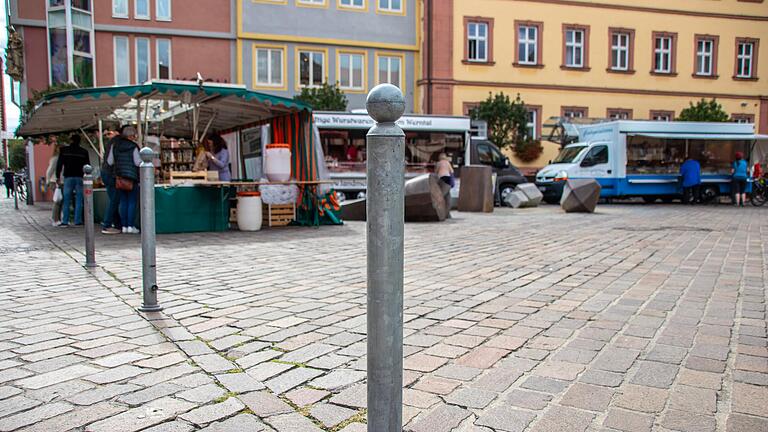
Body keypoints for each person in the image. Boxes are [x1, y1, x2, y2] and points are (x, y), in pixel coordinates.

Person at [107, 126, 141, 234]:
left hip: (119, 177)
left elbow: (110, 161)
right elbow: (138, 162)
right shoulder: (134, 146)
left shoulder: (115, 146)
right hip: (132, 177)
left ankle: (124, 226)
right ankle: (130, 225)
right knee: (132, 201)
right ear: (131, 136)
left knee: (123, 201)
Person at [55, 134, 90, 227]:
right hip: (79, 177)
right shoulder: (84, 152)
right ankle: (77, 220)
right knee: (79, 199)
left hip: (68, 176)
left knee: (66, 199)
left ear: (71, 140)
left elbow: (59, 164)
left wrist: (57, 176)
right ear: (79, 141)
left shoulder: (64, 151)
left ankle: (65, 221)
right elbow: (87, 166)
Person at [100, 129, 122, 234]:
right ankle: (107, 224)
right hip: (112, 174)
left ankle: (117, 224)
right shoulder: (118, 143)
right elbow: (110, 161)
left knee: (113, 199)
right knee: (114, 199)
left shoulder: (111, 142)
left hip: (106, 172)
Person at [44, 136, 63, 225]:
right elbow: (50, 170)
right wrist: (48, 180)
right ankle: (55, 219)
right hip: (55, 181)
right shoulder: (56, 159)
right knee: (57, 201)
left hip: (58, 181)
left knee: (59, 201)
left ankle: (57, 218)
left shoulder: (57, 158)